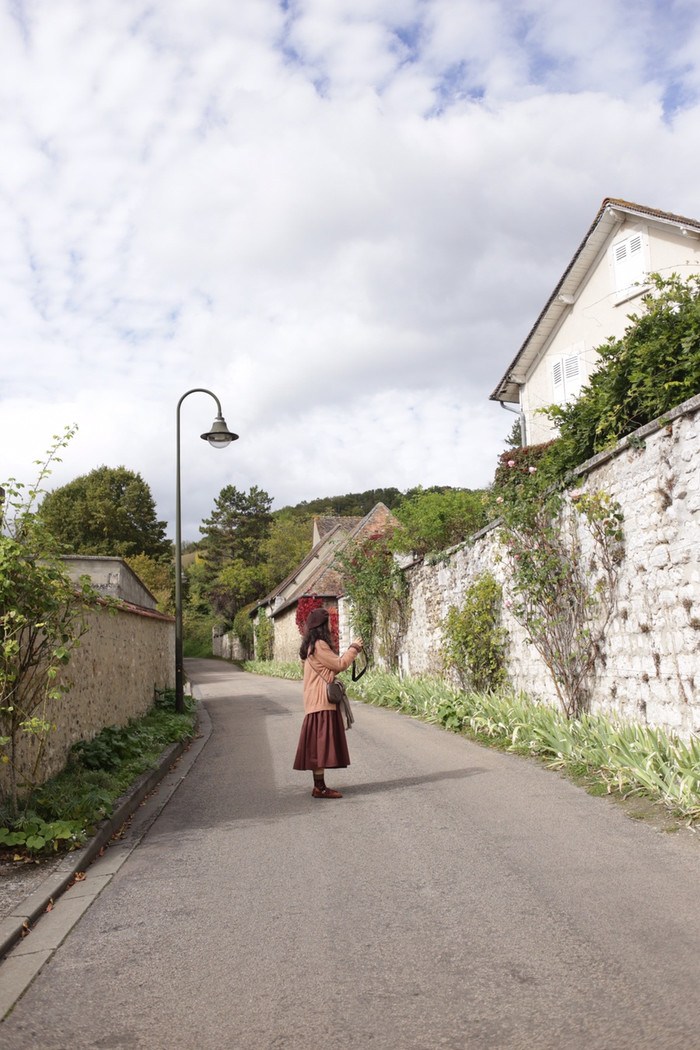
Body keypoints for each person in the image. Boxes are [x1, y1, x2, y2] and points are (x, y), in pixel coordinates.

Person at [293, 607, 363, 799]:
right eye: (329, 622)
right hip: (322, 703)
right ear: (323, 626)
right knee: (321, 748)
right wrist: (354, 648)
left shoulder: (310, 646)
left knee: (317, 748)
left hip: (314, 703)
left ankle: (319, 786)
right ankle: (320, 788)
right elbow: (340, 664)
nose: (332, 626)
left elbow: (329, 668)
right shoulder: (320, 645)